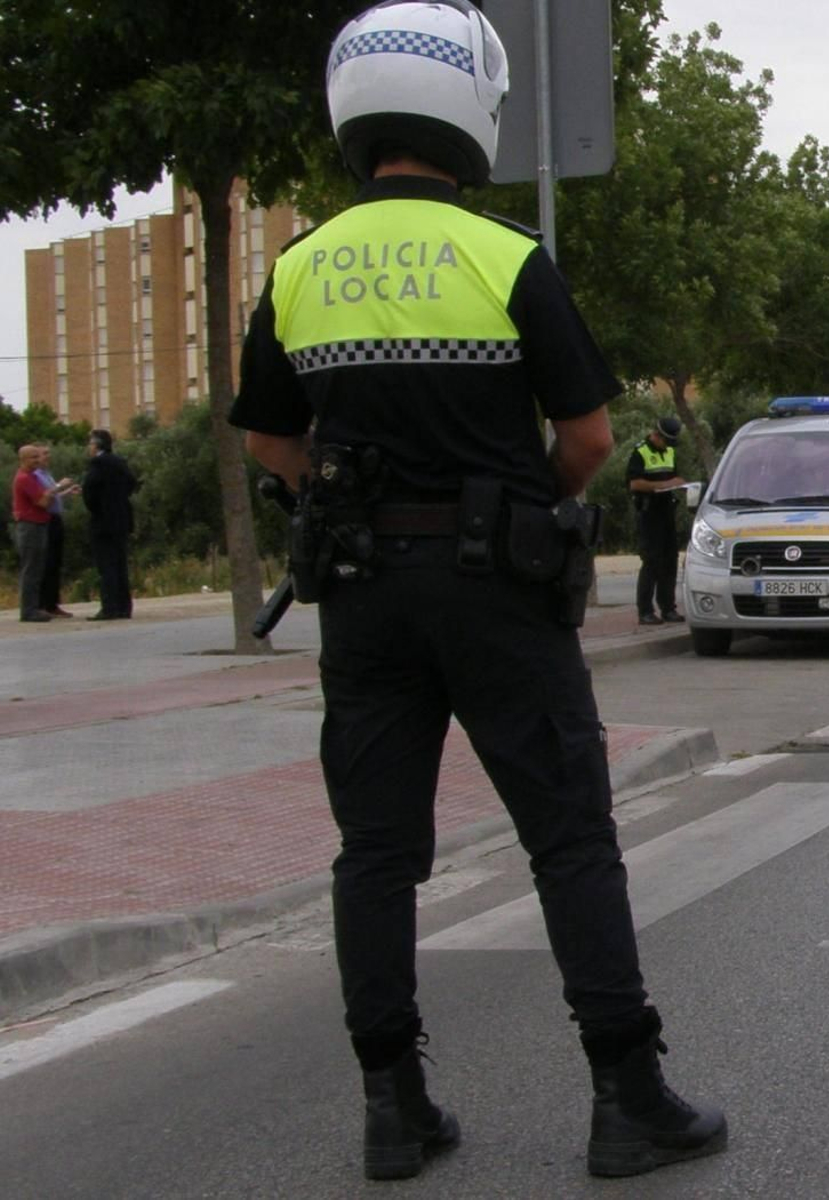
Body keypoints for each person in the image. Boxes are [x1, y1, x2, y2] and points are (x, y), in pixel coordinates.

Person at [228, 1, 725, 1182]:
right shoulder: (507, 257)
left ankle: (394, 1111)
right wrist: (522, 508)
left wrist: (338, 505)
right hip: (496, 591)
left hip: (363, 599)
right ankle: (627, 1098)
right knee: (568, 838)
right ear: (469, 110)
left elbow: (267, 446)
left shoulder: (296, 269)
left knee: (376, 853)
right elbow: (591, 436)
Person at [627, 416, 687, 624]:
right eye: (666, 441)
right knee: (651, 561)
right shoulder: (640, 451)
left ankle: (668, 608)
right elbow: (634, 484)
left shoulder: (669, 451)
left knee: (670, 560)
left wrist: (679, 483)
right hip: (649, 513)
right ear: (657, 435)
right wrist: (661, 485)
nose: (669, 446)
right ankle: (645, 611)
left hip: (666, 511)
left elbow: (674, 476)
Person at [12, 445, 75, 622]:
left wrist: (52, 493)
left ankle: (35, 607)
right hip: (30, 526)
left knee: (38, 568)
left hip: (39, 524)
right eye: (33, 457)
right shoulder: (25, 478)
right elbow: (42, 501)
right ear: (23, 460)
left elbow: (44, 498)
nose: (38, 460)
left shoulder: (32, 477)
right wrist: (57, 488)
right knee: (31, 569)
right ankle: (29, 610)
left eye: (38, 457)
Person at [82, 429, 138, 620]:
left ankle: (110, 607)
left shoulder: (98, 463)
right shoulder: (119, 462)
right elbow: (132, 482)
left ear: (96, 445)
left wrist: (99, 506)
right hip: (122, 519)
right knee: (120, 564)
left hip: (104, 521)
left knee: (106, 566)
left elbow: (89, 491)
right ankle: (124, 606)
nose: (89, 447)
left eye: (90, 444)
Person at [32, 445, 78, 617]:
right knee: (47, 562)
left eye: (48, 453)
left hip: (56, 519)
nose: (47, 457)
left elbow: (53, 496)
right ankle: (43, 603)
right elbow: (44, 496)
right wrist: (60, 485)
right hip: (46, 521)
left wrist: (66, 492)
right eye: (44, 454)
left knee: (55, 562)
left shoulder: (46, 474)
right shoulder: (35, 476)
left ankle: (53, 603)